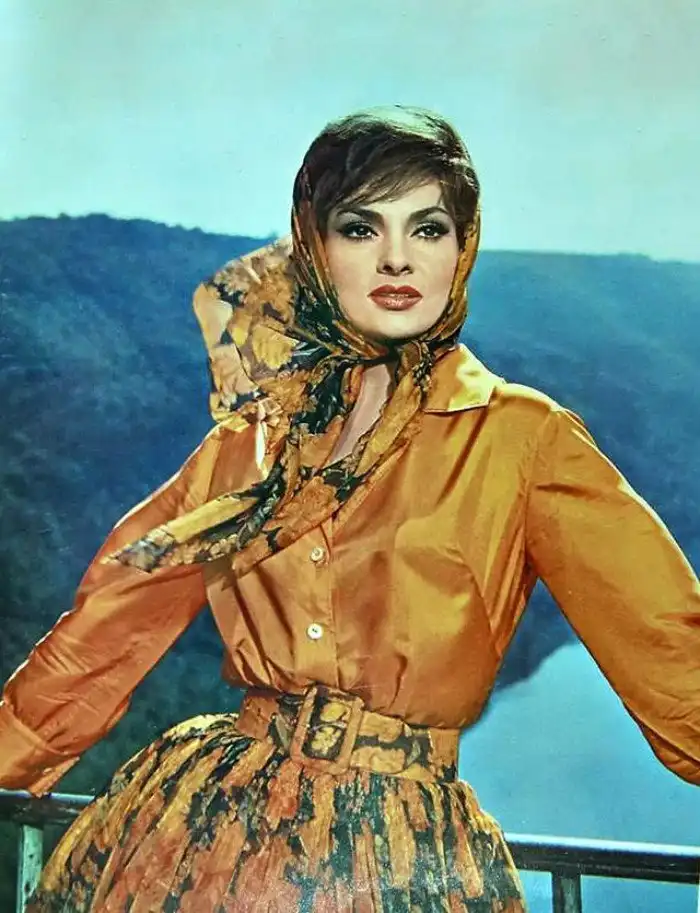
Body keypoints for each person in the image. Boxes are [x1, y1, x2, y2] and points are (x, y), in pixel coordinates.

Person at [0, 105, 698, 912]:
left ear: (462, 248)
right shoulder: (253, 439)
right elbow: (109, 627)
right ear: (314, 245)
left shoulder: (522, 437)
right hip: (205, 840)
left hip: (401, 862)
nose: (398, 258)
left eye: (428, 228)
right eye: (362, 228)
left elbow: (673, 651)